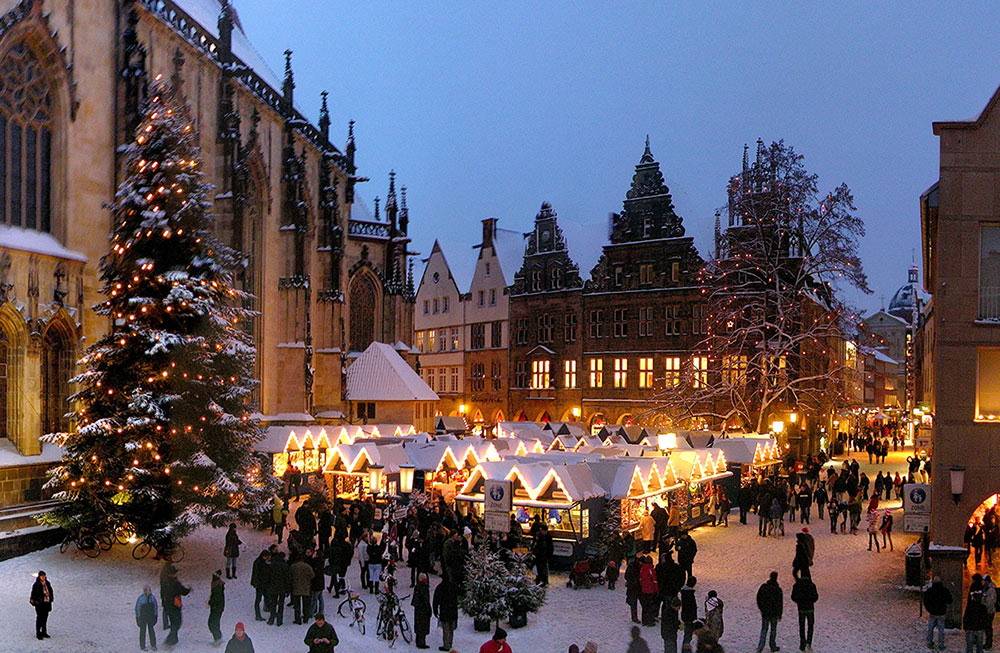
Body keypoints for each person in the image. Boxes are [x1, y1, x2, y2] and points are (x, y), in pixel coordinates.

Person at [162, 565, 190, 647]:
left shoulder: (165, 582)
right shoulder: (174, 582)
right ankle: (170, 640)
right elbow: (183, 591)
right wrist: (188, 590)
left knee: (174, 623)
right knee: (176, 623)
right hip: (175, 605)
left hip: (169, 605)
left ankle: (173, 639)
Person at [755, 571, 783, 653]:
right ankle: (772, 645)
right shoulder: (778, 589)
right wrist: (780, 614)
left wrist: (761, 608)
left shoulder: (764, 587)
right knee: (773, 630)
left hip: (765, 612)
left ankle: (761, 646)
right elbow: (780, 603)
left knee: (764, 629)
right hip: (774, 613)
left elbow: (758, 598)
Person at [924, 575, 952, 651]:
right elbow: (950, 600)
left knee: (930, 628)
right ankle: (941, 644)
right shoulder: (944, 590)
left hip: (932, 612)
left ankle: (929, 642)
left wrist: (929, 609)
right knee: (941, 629)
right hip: (941, 612)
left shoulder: (930, 591)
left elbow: (925, 601)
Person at [791, 573, 818, 652]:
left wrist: (799, 601)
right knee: (810, 626)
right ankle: (809, 643)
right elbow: (816, 597)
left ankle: (802, 643)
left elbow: (793, 596)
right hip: (810, 608)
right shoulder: (812, 585)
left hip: (801, 608)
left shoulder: (797, 585)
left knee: (802, 626)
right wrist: (811, 601)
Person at [433, 576, 459, 651]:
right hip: (453, 611)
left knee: (446, 628)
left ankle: (446, 645)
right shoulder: (453, 586)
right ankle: (450, 643)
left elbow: (436, 600)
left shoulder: (440, 587)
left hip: (444, 611)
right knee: (451, 628)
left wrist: (435, 610)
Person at [266, 551, 291, 626]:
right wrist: (288, 590)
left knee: (273, 603)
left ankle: (272, 618)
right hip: (282, 588)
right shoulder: (285, 566)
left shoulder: (272, 565)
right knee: (281, 604)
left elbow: (268, 577)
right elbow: (287, 579)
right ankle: (279, 620)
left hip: (273, 587)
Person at [966, 575, 989, 653]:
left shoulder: (970, 606)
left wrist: (966, 625)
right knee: (979, 643)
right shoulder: (982, 607)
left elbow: (967, 615)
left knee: (970, 643)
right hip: (979, 626)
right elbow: (985, 617)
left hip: (971, 625)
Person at [291, 553, 315, 624]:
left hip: (296, 587)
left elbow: (290, 576)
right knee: (306, 605)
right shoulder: (307, 567)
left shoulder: (293, 566)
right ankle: (305, 618)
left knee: (297, 605)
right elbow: (312, 576)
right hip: (306, 588)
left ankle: (297, 619)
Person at [135, 585, 158, 651]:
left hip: (150, 616)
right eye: (146, 590)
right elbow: (138, 608)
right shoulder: (141, 598)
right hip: (143, 616)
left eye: (149, 590)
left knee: (151, 630)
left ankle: (153, 645)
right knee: (143, 631)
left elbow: (155, 607)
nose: (148, 592)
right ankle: (142, 646)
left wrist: (155, 616)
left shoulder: (152, 598)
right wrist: (138, 617)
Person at [412, 572, 432, 650]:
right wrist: (428, 609)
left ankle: (418, 640)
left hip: (418, 609)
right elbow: (426, 600)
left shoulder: (417, 587)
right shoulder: (424, 588)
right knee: (423, 625)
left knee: (418, 624)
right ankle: (421, 642)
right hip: (423, 609)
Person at [640, 555, 659, 626]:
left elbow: (641, 579)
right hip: (651, 590)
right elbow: (654, 580)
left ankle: (644, 620)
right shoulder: (651, 569)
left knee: (645, 606)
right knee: (650, 606)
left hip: (644, 590)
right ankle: (650, 620)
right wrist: (656, 589)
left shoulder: (642, 569)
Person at [250, 549, 270, 621]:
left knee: (264, 598)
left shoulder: (259, 562)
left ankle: (263, 611)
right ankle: (258, 615)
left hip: (261, 584)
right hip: (260, 584)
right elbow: (258, 574)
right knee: (258, 600)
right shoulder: (260, 563)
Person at [680, 576, 698, 652]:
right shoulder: (690, 594)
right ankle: (685, 650)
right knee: (688, 636)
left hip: (685, 616)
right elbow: (691, 607)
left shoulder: (684, 592)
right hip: (689, 617)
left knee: (687, 635)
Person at [208, 569, 226, 645]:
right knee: (215, 622)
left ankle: (217, 637)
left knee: (211, 623)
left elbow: (216, 599)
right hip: (218, 608)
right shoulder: (218, 585)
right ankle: (218, 637)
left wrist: (210, 602)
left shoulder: (216, 587)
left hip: (216, 608)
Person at [626, 557, 642, 623]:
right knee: (635, 603)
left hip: (633, 587)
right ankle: (635, 617)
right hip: (636, 587)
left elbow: (626, 576)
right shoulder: (635, 567)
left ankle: (634, 617)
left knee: (633, 603)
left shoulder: (631, 566)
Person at [985, 575, 998, 650]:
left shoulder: (991, 589)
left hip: (989, 611)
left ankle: (989, 643)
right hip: (988, 611)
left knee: (988, 627)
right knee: (987, 627)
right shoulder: (987, 588)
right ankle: (988, 642)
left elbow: (991, 601)